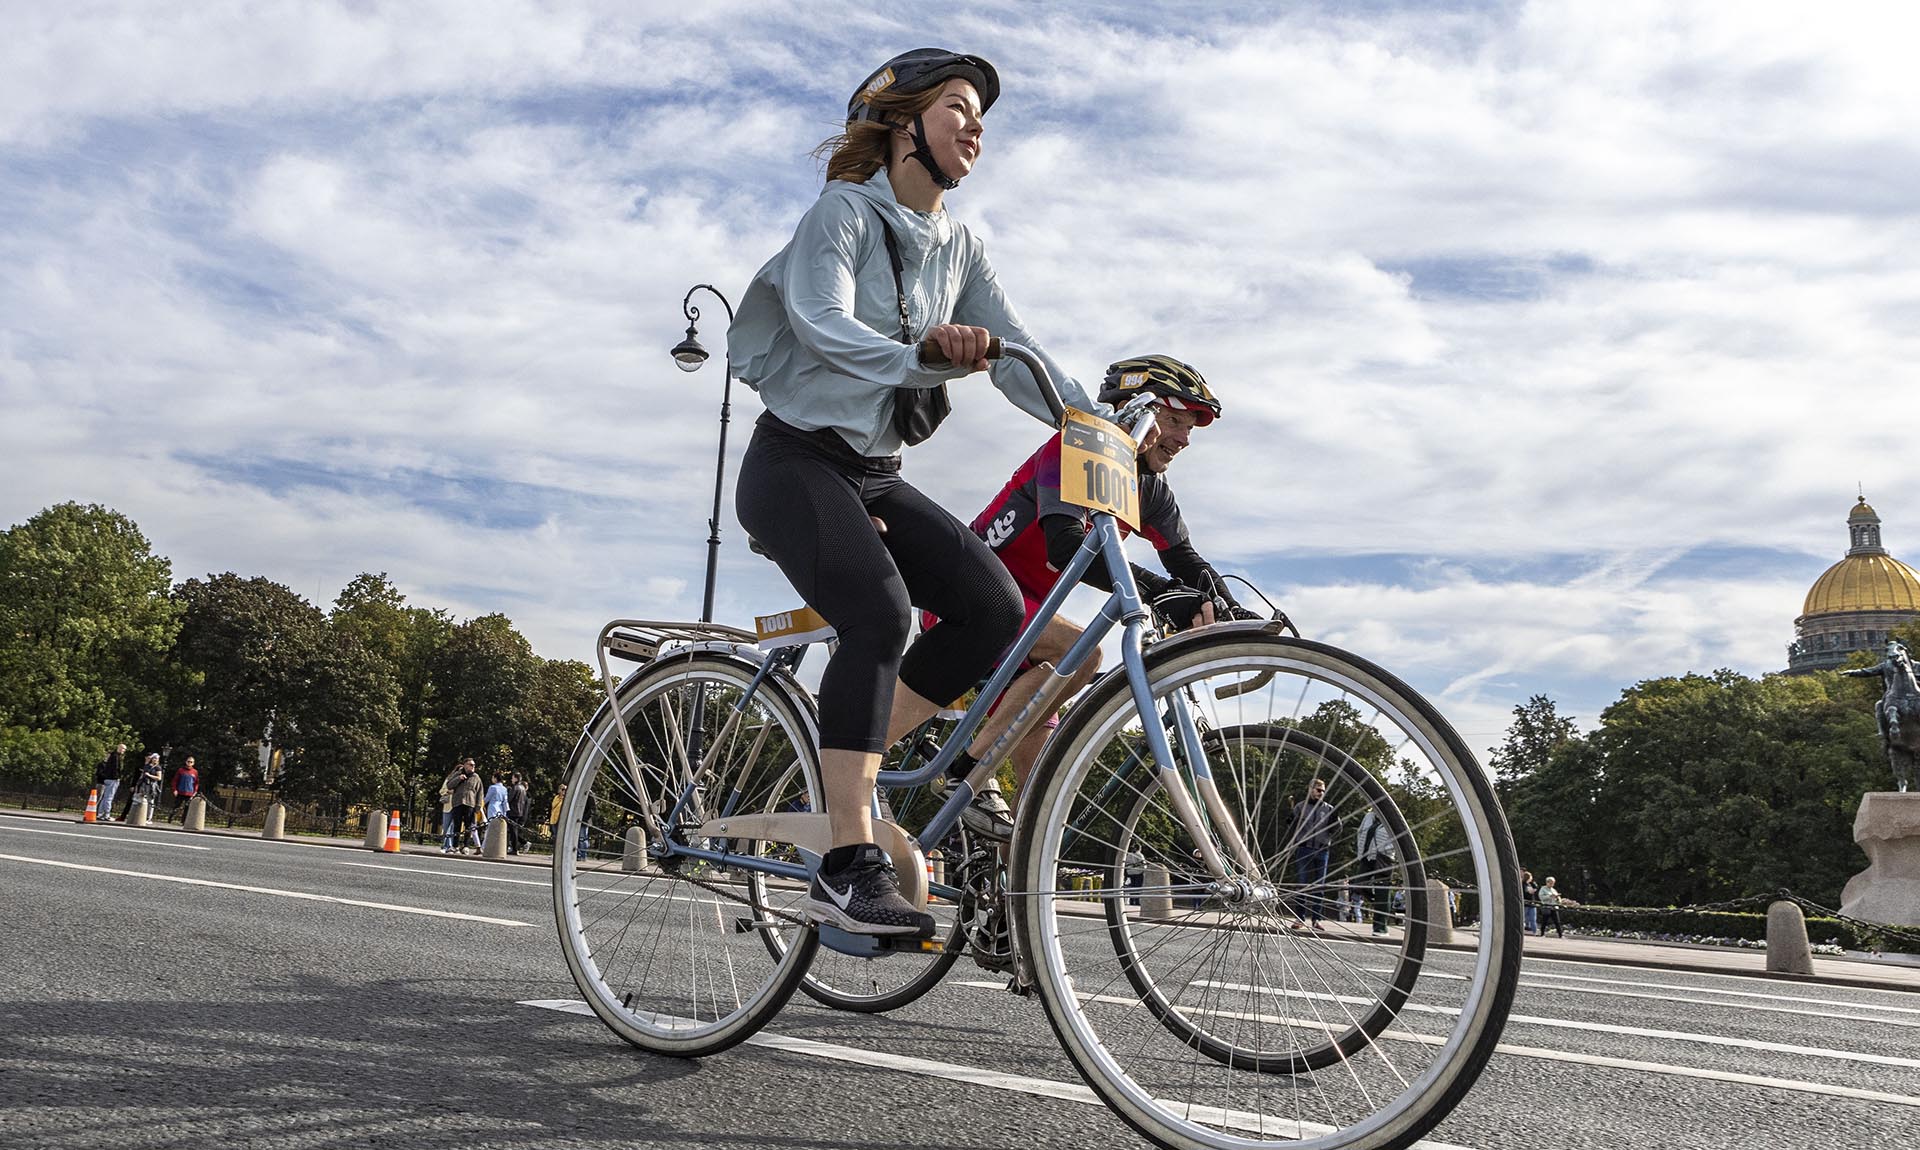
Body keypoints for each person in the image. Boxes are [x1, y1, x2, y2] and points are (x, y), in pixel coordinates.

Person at [727, 48, 1102, 937]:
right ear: (904, 127)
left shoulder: (961, 246)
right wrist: (919, 357)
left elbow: (1020, 357)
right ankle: (846, 865)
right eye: (959, 109)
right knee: (883, 616)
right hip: (793, 464)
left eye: (981, 117)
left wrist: (1098, 427)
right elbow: (822, 325)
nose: (977, 128)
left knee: (992, 607)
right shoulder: (842, 214)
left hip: (875, 473)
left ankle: (843, 766)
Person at [947, 355, 1260, 839]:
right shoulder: (1074, 449)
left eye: (1190, 428)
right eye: (1175, 420)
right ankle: (966, 774)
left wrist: (1229, 608)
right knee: (1084, 652)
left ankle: (1007, 912)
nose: (1183, 438)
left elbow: (1183, 559)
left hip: (1033, 623)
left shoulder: (1149, 488)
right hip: (977, 595)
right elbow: (1067, 545)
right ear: (1135, 409)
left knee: (1036, 817)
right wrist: (1157, 594)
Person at [1284, 777, 1340, 931]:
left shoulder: (1329, 809)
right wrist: (1290, 820)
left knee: (1319, 887)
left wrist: (1334, 825)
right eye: (1317, 790)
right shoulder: (1300, 807)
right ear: (1310, 789)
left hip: (1322, 850)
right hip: (1304, 848)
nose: (1320, 793)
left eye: (1322, 790)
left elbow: (1338, 830)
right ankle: (1300, 918)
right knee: (1302, 884)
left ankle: (1316, 919)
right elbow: (1291, 826)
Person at [1356, 806, 1397, 935]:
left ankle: (1380, 928)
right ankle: (1377, 903)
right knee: (1359, 884)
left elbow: (1398, 838)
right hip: (1367, 856)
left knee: (1382, 891)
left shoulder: (1392, 818)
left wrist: (1388, 850)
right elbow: (1360, 832)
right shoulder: (1369, 816)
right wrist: (1360, 851)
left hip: (1384, 858)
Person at [443, 758, 482, 855]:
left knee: (468, 826)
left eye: (474, 765)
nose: (473, 767)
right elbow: (449, 785)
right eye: (470, 765)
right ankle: (455, 846)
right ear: (465, 765)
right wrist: (458, 778)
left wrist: (478, 806)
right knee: (457, 825)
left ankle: (465, 846)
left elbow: (480, 792)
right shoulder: (457, 774)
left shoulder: (476, 777)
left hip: (470, 803)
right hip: (458, 802)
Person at [95, 743, 126, 821]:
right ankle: (107, 815)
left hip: (107, 778)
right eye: (123, 749)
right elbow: (116, 768)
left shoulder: (112, 756)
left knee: (105, 797)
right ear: (119, 748)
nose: (124, 751)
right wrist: (117, 777)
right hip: (113, 779)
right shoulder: (116, 757)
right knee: (109, 797)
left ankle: (100, 814)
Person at [167, 757, 199, 822]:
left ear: (193, 763)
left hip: (189, 792)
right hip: (180, 791)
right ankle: (170, 819)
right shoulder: (181, 770)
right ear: (186, 762)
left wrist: (195, 791)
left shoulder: (195, 772)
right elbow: (175, 780)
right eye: (188, 761)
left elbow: (196, 783)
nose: (189, 763)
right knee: (176, 806)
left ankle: (184, 821)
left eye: (191, 762)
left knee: (187, 808)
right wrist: (174, 789)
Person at [483, 772, 509, 850]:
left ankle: (484, 845)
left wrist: (481, 804)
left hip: (493, 807)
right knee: (498, 828)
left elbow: (487, 798)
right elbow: (505, 801)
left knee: (490, 826)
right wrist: (505, 812)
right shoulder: (504, 789)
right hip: (500, 808)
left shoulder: (492, 787)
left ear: (495, 778)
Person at [506, 772, 529, 855]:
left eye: (512, 778)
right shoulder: (522, 788)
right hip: (519, 811)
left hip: (513, 811)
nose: (511, 779)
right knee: (514, 830)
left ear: (516, 778)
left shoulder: (515, 788)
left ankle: (514, 849)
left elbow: (509, 799)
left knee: (513, 831)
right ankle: (515, 848)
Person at [1522, 869, 1540, 935]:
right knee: (1523, 918)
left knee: (1533, 918)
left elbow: (1536, 888)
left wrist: (1532, 882)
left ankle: (1534, 932)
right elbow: (1526, 892)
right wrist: (1530, 891)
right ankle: (1523, 929)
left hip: (1532, 903)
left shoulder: (1530, 884)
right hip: (1526, 903)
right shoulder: (1523, 884)